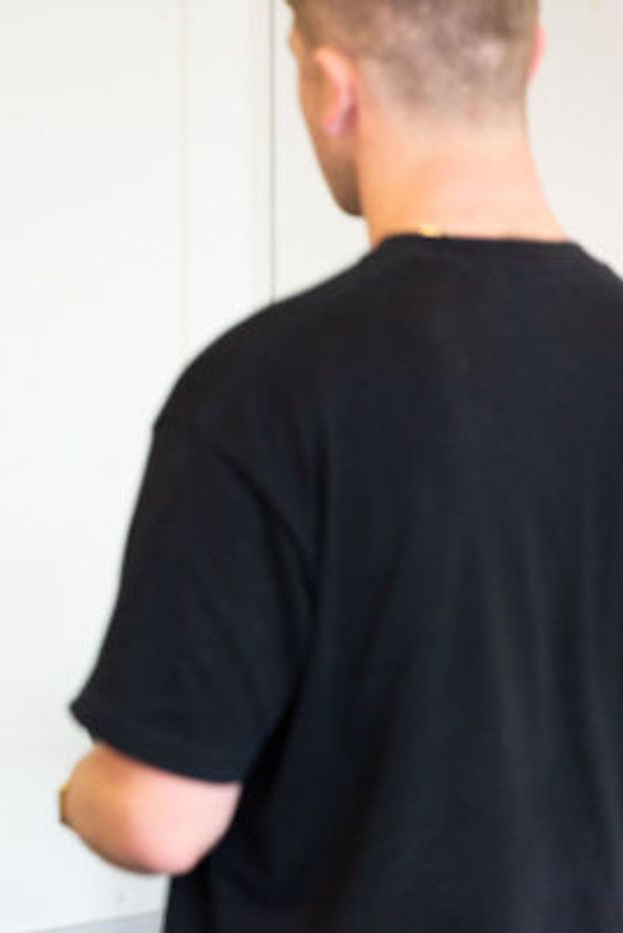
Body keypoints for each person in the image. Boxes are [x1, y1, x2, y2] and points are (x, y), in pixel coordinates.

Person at [61, 1, 623, 930]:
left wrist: (82, 792)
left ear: (333, 88)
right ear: (532, 61)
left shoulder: (264, 388)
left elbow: (157, 820)